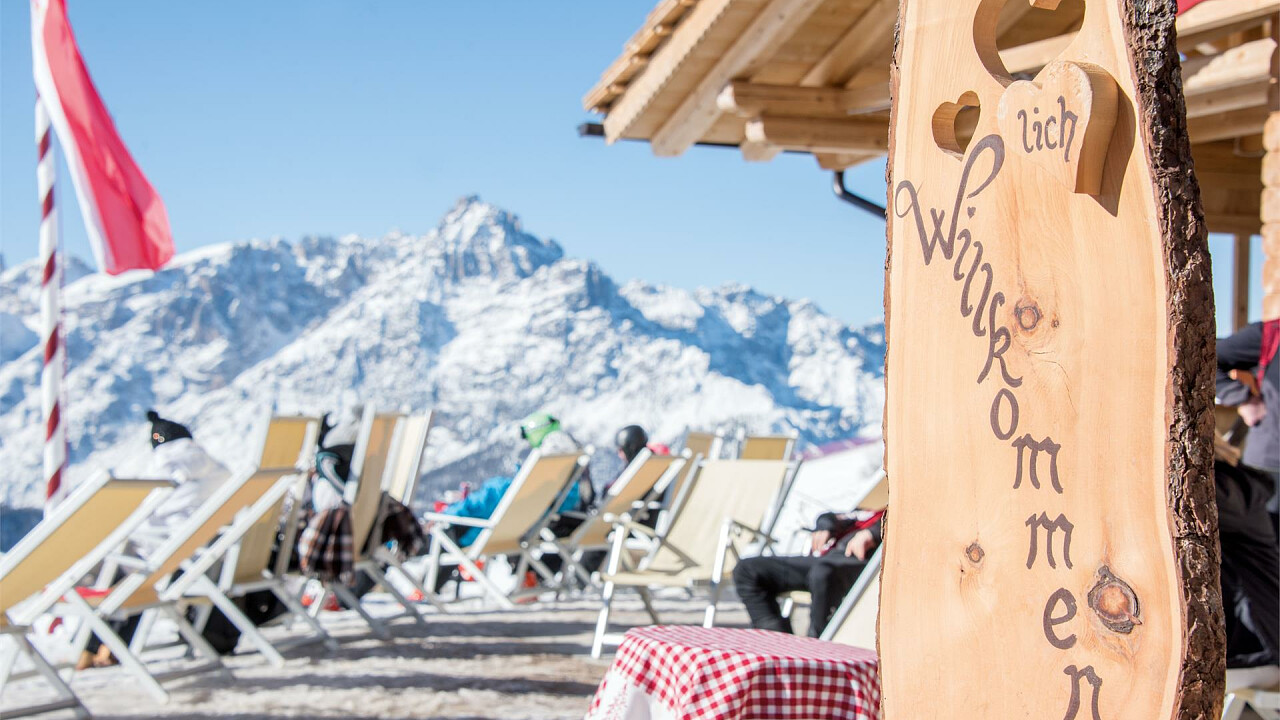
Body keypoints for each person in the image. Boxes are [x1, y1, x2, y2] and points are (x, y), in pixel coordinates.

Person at [79, 410, 232, 669]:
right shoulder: (219, 471)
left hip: (170, 561)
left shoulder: (159, 472)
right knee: (139, 574)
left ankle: (92, 649)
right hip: (208, 558)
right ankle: (106, 648)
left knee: (129, 572)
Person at [732, 505, 884, 638]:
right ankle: (777, 641)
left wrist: (875, 532)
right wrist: (826, 525)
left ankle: (817, 645)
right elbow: (831, 516)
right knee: (747, 569)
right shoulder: (869, 514)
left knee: (822, 572)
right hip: (823, 561)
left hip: (862, 569)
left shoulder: (892, 516)